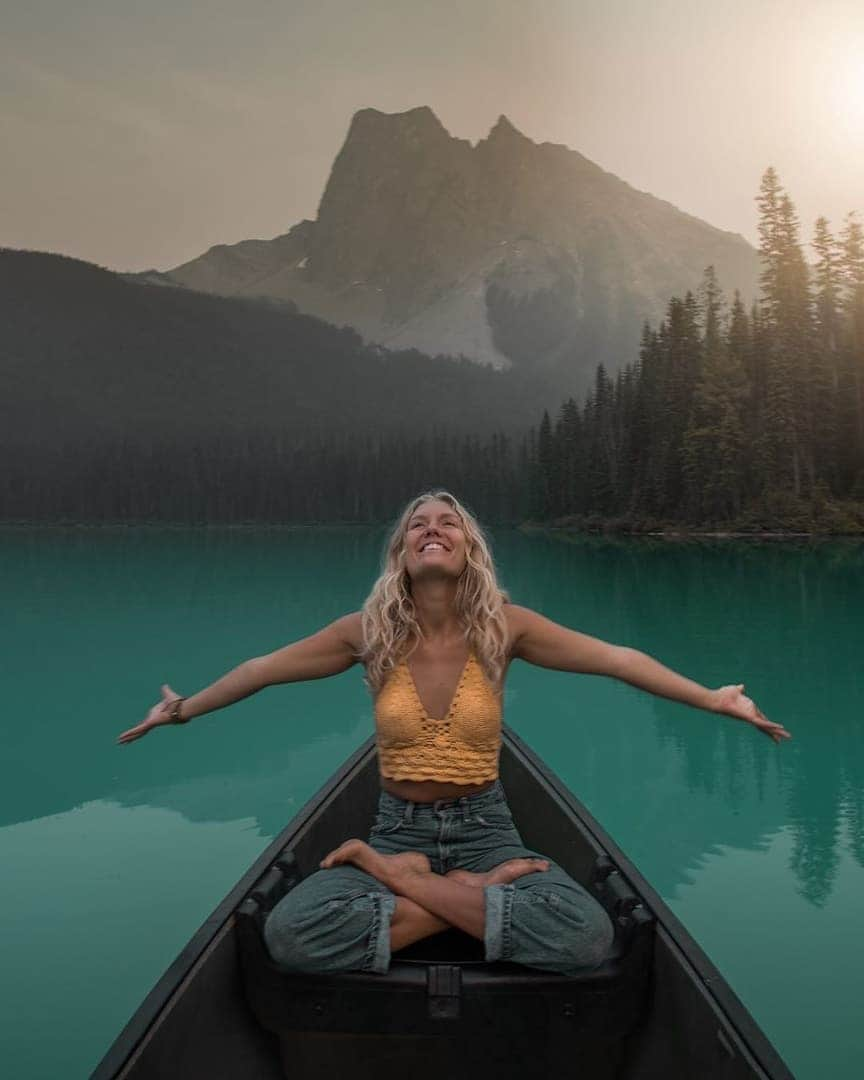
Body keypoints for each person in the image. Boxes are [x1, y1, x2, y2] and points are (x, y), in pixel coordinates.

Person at [118, 490, 791, 977]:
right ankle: (471, 890)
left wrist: (713, 699)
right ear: (401, 550)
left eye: (448, 523)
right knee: (290, 935)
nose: (432, 529)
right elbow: (260, 670)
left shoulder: (506, 627)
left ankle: (403, 882)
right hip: (395, 829)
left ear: (469, 548)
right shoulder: (367, 634)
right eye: (418, 524)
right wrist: (180, 711)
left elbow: (618, 659)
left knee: (586, 936)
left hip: (486, 828)